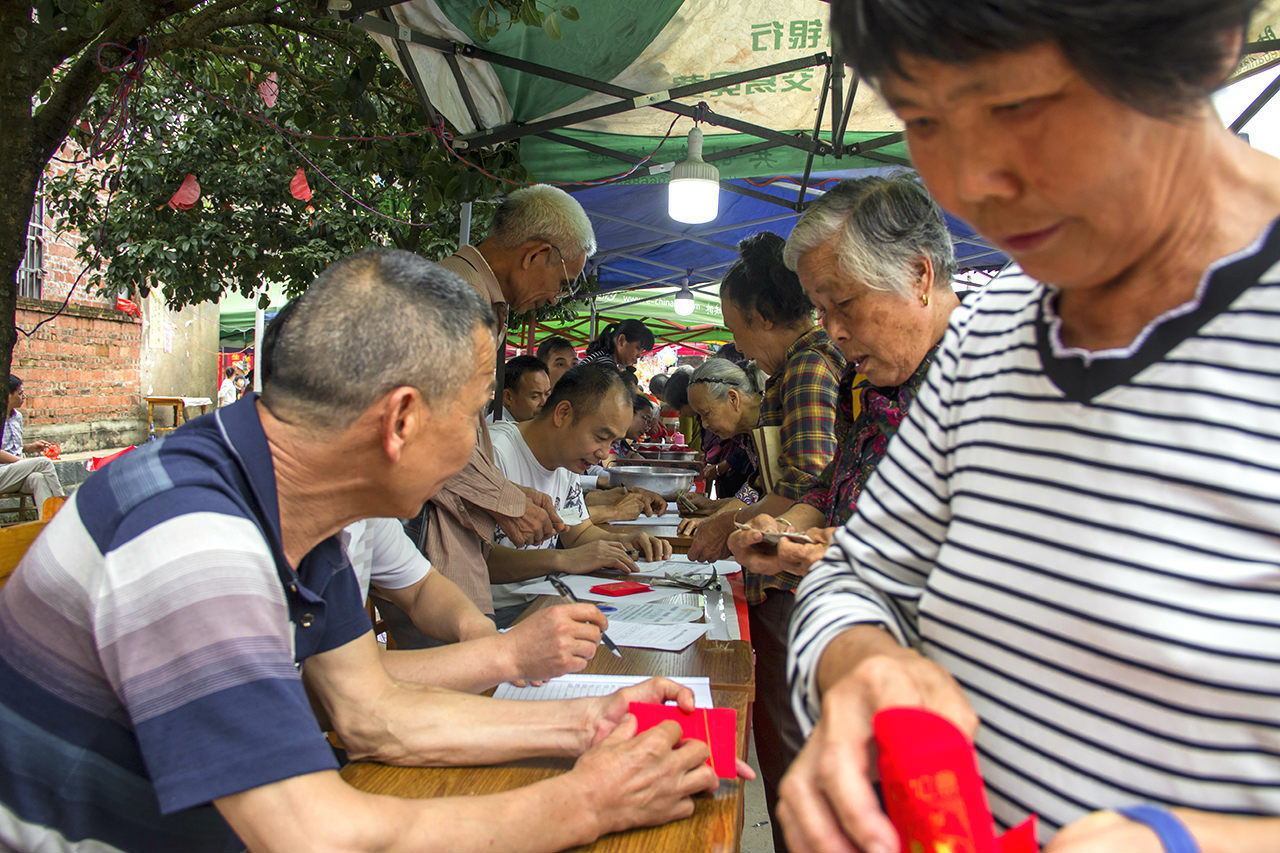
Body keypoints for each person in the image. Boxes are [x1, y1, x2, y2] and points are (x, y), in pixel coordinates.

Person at [0, 248, 741, 852]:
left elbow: (373, 709)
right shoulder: (192, 539)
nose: (478, 447)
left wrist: (594, 722)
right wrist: (586, 801)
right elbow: (320, 834)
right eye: (476, 413)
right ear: (403, 421)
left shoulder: (302, 508)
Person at [782, 3, 1280, 853]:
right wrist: (863, 663)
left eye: (1020, 107)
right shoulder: (991, 330)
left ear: (1201, 50)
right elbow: (856, 577)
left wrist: (1185, 839)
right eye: (924, 121)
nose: (973, 184)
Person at [258, 299, 604, 692]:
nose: (467, 458)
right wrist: (500, 655)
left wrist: (477, 630)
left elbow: (422, 588)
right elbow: (332, 688)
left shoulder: (355, 500)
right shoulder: (222, 525)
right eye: (459, 421)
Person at [728, 175, 960, 580]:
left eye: (844, 303)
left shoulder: (1004, 378)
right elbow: (830, 484)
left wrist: (860, 551)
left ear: (918, 276)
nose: (833, 331)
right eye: (821, 310)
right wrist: (786, 529)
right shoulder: (877, 384)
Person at [415, 184, 594, 621]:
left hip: (434, 520)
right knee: (457, 661)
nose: (557, 297)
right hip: (419, 521)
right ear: (535, 256)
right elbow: (432, 429)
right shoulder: (456, 299)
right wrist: (505, 500)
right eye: (563, 282)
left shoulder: (479, 301)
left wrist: (508, 495)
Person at [487, 364, 674, 627]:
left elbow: (579, 533)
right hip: (490, 614)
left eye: (612, 442)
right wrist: (561, 560)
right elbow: (478, 560)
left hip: (544, 599)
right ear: (563, 413)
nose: (603, 453)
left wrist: (624, 541)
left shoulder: (567, 459)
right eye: (601, 437)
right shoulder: (495, 453)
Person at [0, 374, 64, 512]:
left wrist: (30, 448)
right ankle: (66, 508)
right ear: (8, 395)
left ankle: (48, 525)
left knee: (38, 479)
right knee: (44, 463)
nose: (24, 397)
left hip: (15, 473)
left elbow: (13, 448)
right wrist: (21, 463)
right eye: (20, 393)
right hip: (2, 474)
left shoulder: (17, 417)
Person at [491, 354, 551, 422]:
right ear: (508, 397)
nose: (544, 402)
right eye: (535, 396)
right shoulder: (497, 429)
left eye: (547, 394)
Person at [579, 319, 655, 370]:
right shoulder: (604, 366)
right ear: (621, 340)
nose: (639, 355)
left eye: (642, 351)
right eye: (638, 348)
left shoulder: (600, 359)